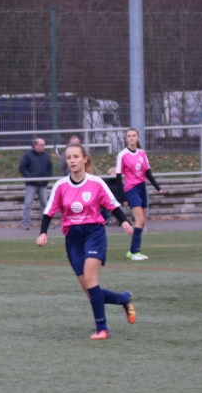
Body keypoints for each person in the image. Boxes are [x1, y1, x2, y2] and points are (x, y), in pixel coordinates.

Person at [37, 143, 136, 340]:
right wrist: (43, 233)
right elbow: (49, 212)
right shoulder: (61, 186)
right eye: (69, 157)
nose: (72, 160)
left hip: (94, 234)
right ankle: (124, 299)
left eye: (76, 156)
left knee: (91, 279)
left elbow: (113, 205)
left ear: (85, 159)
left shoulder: (96, 183)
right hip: (73, 238)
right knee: (91, 291)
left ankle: (102, 328)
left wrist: (124, 221)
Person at [115, 128, 164, 260]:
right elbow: (118, 178)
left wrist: (158, 187)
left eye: (134, 136)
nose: (131, 138)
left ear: (138, 138)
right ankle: (135, 252)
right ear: (126, 138)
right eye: (129, 136)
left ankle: (132, 251)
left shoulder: (142, 153)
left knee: (143, 221)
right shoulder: (122, 155)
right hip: (131, 189)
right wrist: (122, 198)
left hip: (142, 188)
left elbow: (148, 173)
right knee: (140, 220)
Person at [19, 138, 52, 229]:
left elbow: (50, 167)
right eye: (42, 145)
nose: (43, 147)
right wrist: (30, 177)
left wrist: (48, 177)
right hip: (32, 184)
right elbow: (22, 167)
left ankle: (45, 224)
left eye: (44, 145)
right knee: (28, 204)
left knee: (45, 204)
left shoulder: (46, 156)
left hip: (43, 184)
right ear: (36, 145)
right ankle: (25, 224)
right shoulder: (27, 155)